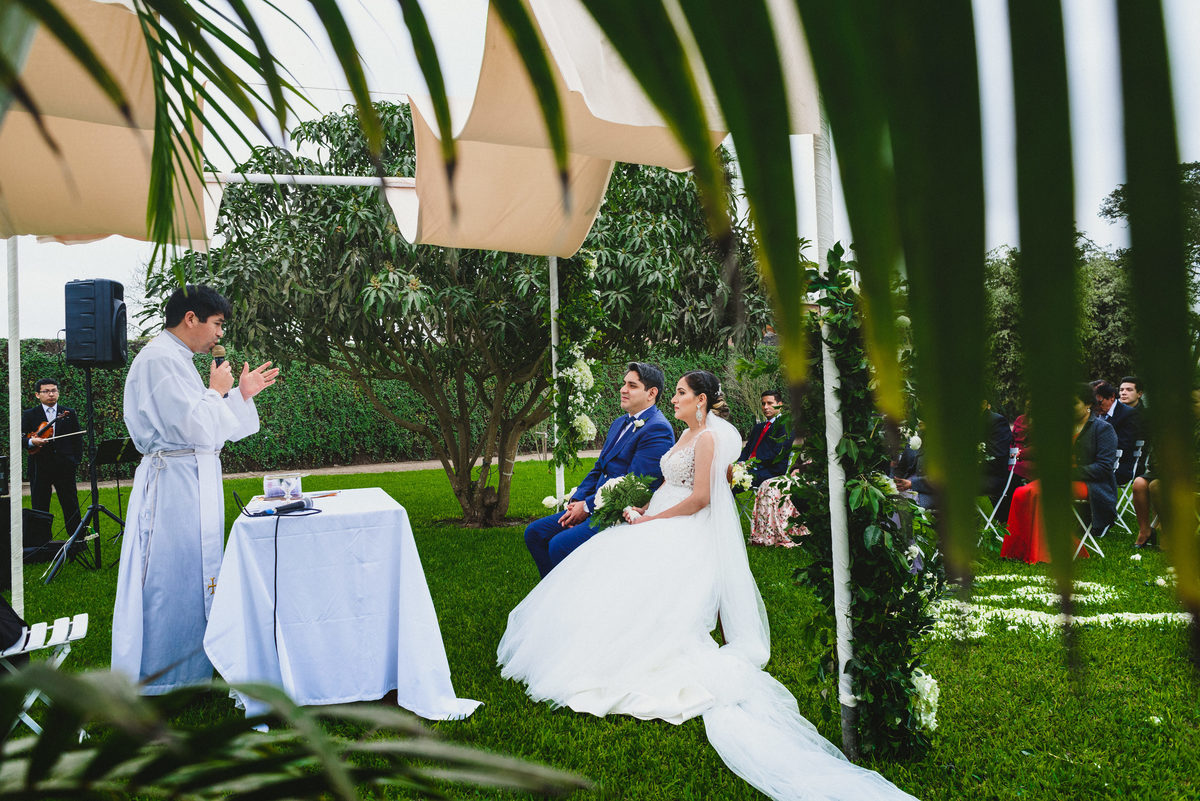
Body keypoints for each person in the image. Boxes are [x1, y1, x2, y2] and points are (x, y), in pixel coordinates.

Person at [499, 371, 916, 801]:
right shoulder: (682, 435)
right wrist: (639, 504)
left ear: (700, 400)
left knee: (628, 568)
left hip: (683, 524)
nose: (675, 399)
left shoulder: (709, 440)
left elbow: (700, 499)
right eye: (675, 392)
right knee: (606, 565)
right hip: (658, 511)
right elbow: (663, 481)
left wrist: (652, 520)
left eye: (680, 393)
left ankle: (632, 644)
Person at [111, 285, 279, 694]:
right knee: (169, 579)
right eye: (217, 324)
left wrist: (240, 394)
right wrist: (219, 391)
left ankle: (193, 667)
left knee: (195, 574)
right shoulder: (158, 360)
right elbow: (189, 426)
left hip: (194, 480)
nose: (220, 335)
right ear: (191, 318)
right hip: (171, 487)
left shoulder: (179, 360)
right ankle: (160, 675)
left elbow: (212, 427)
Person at [523, 362, 674, 578]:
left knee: (559, 545)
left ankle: (573, 598)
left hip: (618, 512)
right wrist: (577, 500)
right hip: (594, 504)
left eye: (632, 385)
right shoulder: (620, 423)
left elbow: (635, 487)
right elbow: (599, 468)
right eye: (624, 384)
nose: (623, 389)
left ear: (651, 393)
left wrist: (587, 507)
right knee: (535, 533)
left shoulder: (657, 429)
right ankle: (551, 595)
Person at [1000, 384, 1117, 564]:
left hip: (1091, 483)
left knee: (1040, 493)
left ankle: (1044, 553)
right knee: (1021, 493)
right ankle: (1018, 550)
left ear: (1088, 404)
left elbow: (1104, 468)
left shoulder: (1102, 429)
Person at [22, 379, 83, 535]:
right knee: (40, 505)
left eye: (54, 390)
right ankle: (42, 543)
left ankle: (77, 540)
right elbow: (20, 438)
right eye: (46, 391)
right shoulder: (29, 415)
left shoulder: (68, 413)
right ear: (37, 394)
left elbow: (77, 440)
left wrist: (75, 461)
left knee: (71, 504)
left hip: (64, 466)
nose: (51, 394)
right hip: (40, 466)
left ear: (58, 392)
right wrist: (31, 441)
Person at [735, 389, 790, 488]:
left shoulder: (785, 426)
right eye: (763, 404)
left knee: (730, 482)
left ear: (780, 404)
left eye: (770, 403)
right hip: (750, 468)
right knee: (724, 477)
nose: (765, 407)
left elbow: (776, 453)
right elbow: (747, 449)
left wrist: (751, 464)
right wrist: (740, 463)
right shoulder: (759, 427)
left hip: (770, 471)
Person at [1094, 380, 1142, 484]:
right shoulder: (1094, 414)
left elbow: (1125, 444)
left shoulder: (1129, 414)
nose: (1095, 407)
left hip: (1118, 465)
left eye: (1099, 402)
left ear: (1112, 397)